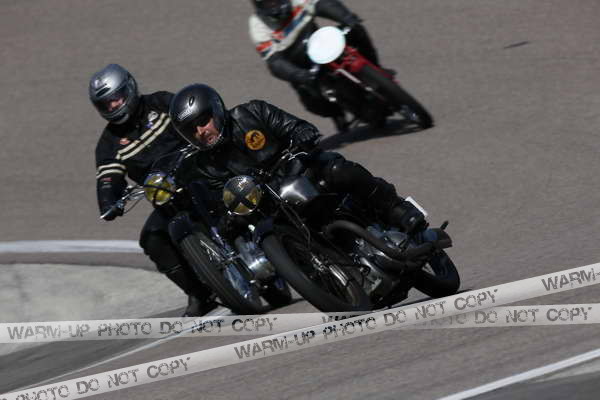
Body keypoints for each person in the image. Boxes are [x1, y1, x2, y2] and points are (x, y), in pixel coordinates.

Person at [168, 83, 426, 236]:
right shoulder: (207, 166)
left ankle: (397, 208)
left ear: (216, 110)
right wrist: (230, 217)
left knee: (338, 170)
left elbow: (298, 127)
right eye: (192, 130)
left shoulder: (252, 112)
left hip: (304, 171)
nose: (201, 131)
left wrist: (302, 139)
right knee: (270, 238)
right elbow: (224, 200)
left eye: (203, 121)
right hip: (276, 207)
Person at [90, 64, 217, 317]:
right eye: (106, 104)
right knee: (152, 239)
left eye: (116, 98)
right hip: (166, 197)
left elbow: (192, 118)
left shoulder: (160, 103)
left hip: (201, 173)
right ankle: (198, 293)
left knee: (243, 185)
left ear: (129, 89)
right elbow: (108, 178)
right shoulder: (108, 145)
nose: (113, 106)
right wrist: (108, 201)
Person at [248, 0, 385, 133]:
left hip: (320, 41)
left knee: (356, 30)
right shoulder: (257, 25)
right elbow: (274, 61)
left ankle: (377, 68)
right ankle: (336, 113)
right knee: (311, 99)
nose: (274, 4)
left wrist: (346, 18)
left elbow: (323, 4)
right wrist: (301, 75)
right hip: (299, 64)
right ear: (258, 5)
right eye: (269, 2)